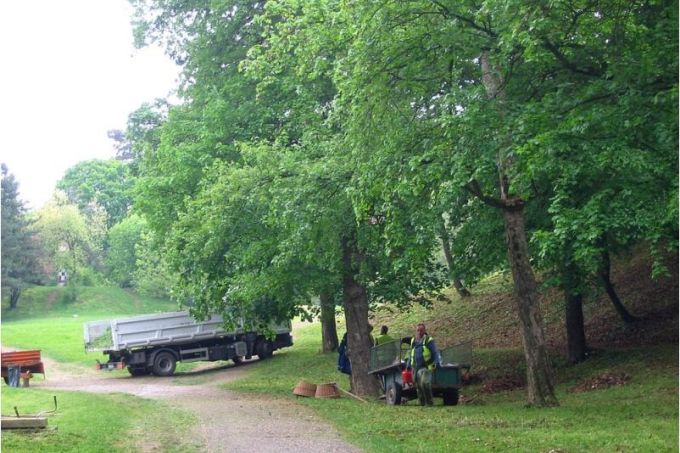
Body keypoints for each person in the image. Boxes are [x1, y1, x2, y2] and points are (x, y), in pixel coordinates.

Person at [406, 322, 440, 406]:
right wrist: (408, 365)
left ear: (424, 331)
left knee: (425, 383)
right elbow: (411, 353)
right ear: (416, 331)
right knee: (418, 387)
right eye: (418, 330)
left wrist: (436, 362)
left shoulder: (429, 340)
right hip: (416, 367)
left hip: (426, 367)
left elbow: (435, 352)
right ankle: (422, 403)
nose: (419, 332)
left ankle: (429, 403)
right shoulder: (413, 340)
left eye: (421, 330)